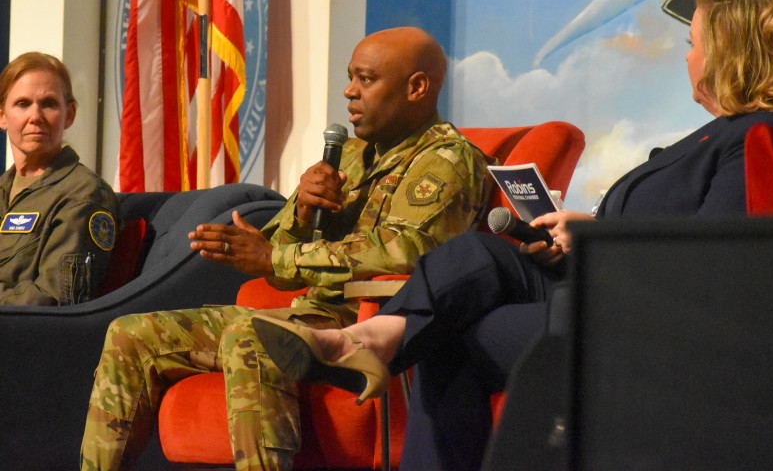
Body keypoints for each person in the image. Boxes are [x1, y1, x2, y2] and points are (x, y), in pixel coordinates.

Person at [252, 0, 773, 471]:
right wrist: (581, 232)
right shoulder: (712, 136)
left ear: (728, 54)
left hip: (639, 315)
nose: (686, 57)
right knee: (477, 252)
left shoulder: (765, 136)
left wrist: (602, 238)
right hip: (589, 281)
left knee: (445, 334)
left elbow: (716, 258)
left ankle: (374, 339)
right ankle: (378, 333)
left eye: (692, 43)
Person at [79, 26, 493, 470]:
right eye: (350, 77)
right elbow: (275, 267)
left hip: (375, 325)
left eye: (366, 80)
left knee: (253, 336)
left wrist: (276, 257)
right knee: (130, 333)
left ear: (416, 87)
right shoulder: (349, 156)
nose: (349, 92)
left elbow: (403, 252)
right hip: (308, 309)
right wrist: (300, 216)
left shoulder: (448, 159)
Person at [0, 52, 119, 306]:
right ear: (2, 116)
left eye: (49, 104)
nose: (35, 116)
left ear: (69, 114)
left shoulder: (83, 195)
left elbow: (53, 299)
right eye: (22, 104)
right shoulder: (3, 189)